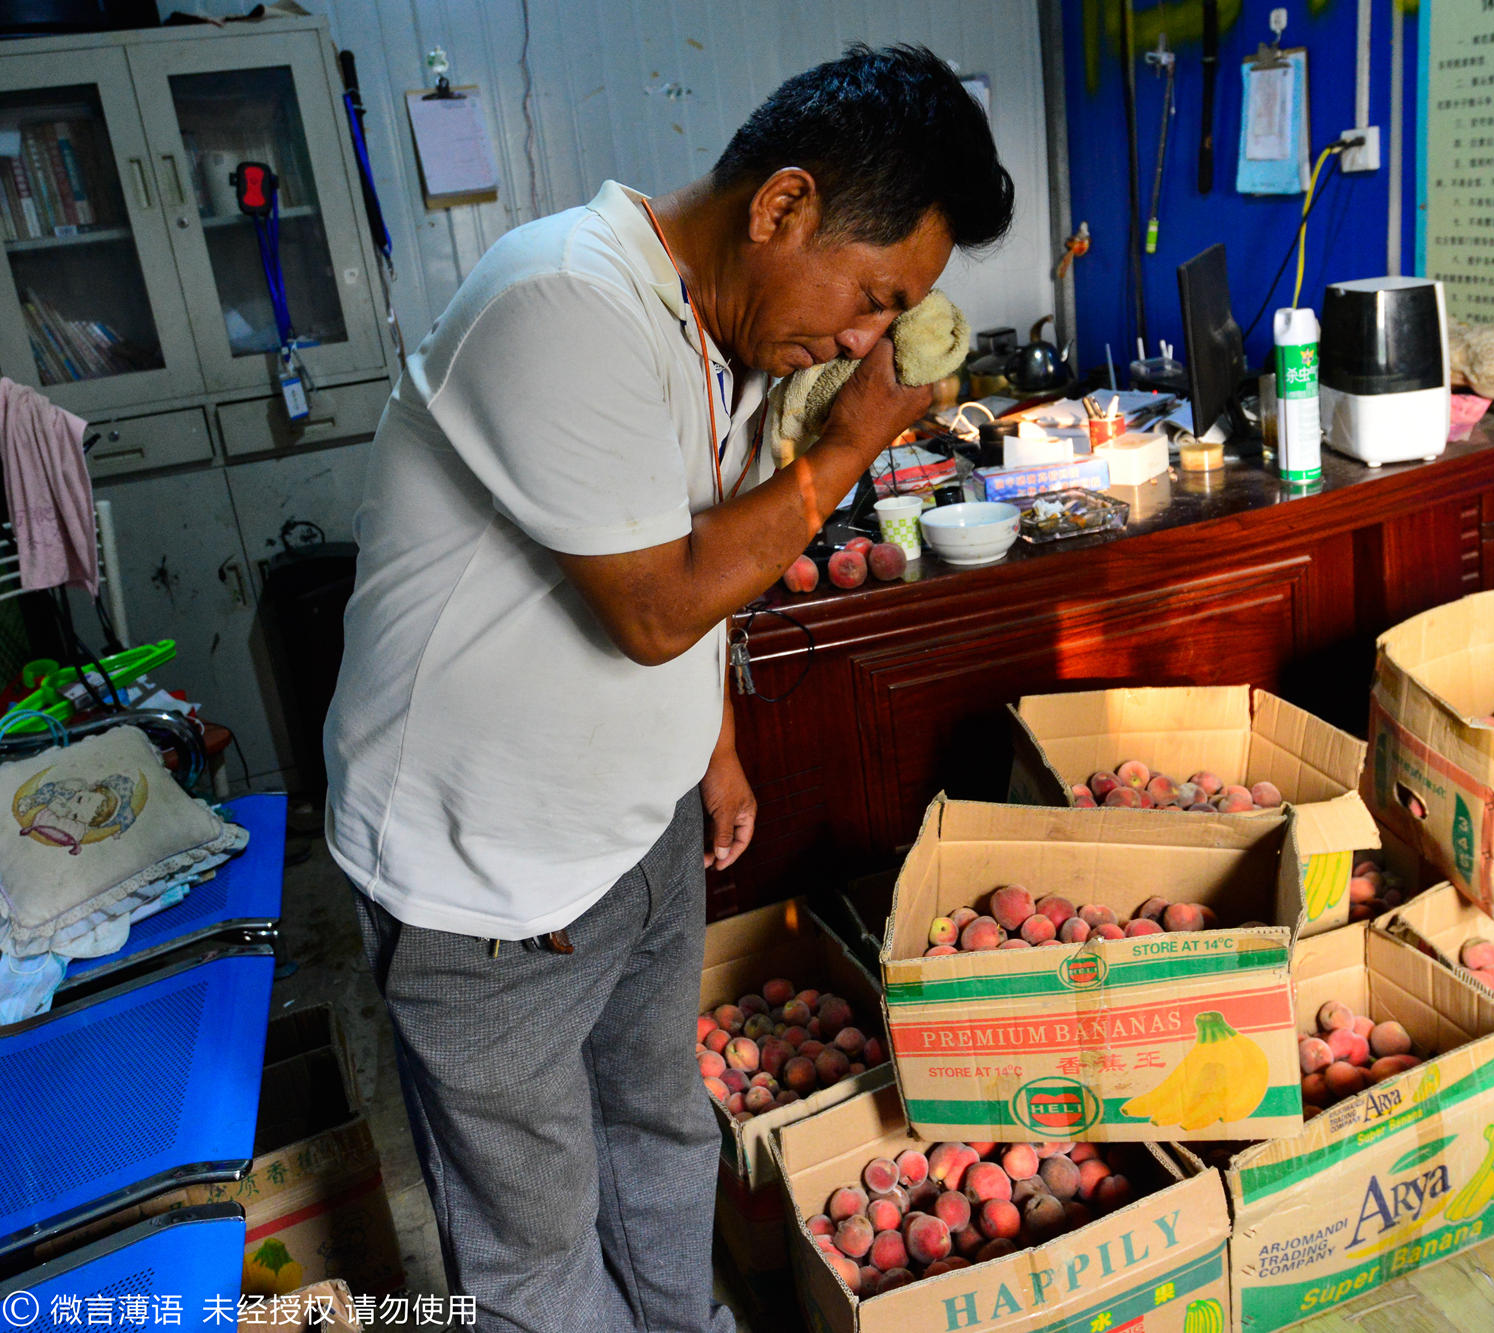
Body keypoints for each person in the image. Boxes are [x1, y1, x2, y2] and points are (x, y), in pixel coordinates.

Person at [322, 44, 1013, 1333]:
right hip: (486, 881)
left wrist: (716, 747)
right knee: (532, 1236)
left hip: (634, 838)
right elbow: (657, 603)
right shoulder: (562, 304)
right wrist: (853, 443)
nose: (868, 338)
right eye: (869, 295)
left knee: (660, 1132)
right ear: (782, 206)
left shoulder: (729, 342)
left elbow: (699, 568)